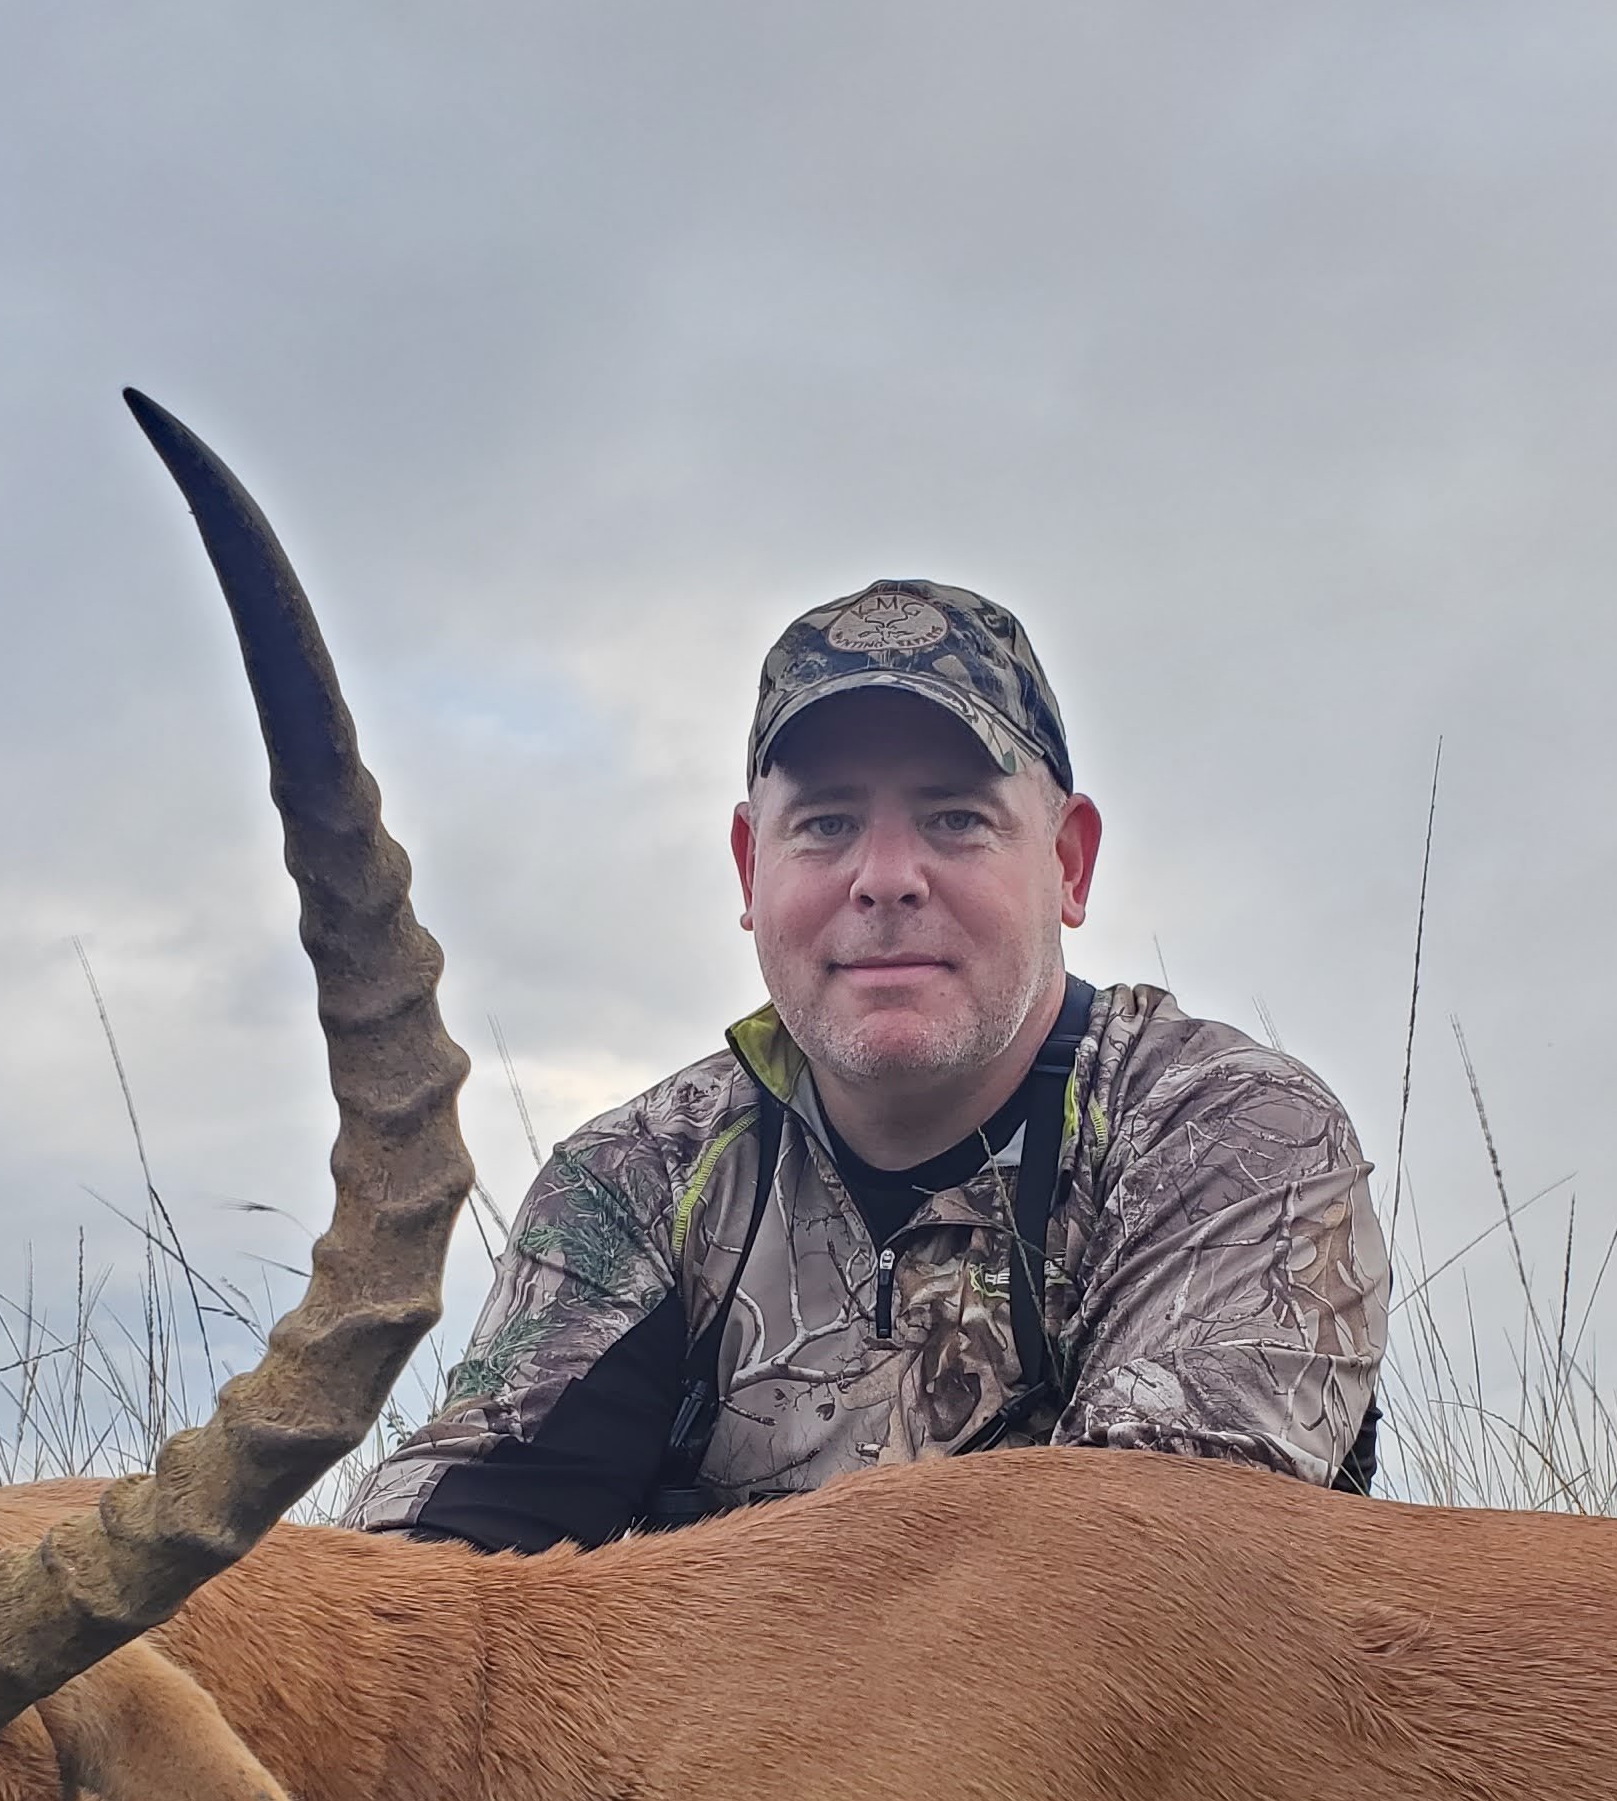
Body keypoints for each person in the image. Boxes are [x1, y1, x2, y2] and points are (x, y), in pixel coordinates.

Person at [349, 577, 1387, 1551]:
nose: (886, 880)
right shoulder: (635, 1181)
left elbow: (1138, 1604)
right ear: (751, 869)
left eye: (956, 819)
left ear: (1068, 863)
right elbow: (429, 1572)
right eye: (829, 823)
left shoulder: (1229, 1135)